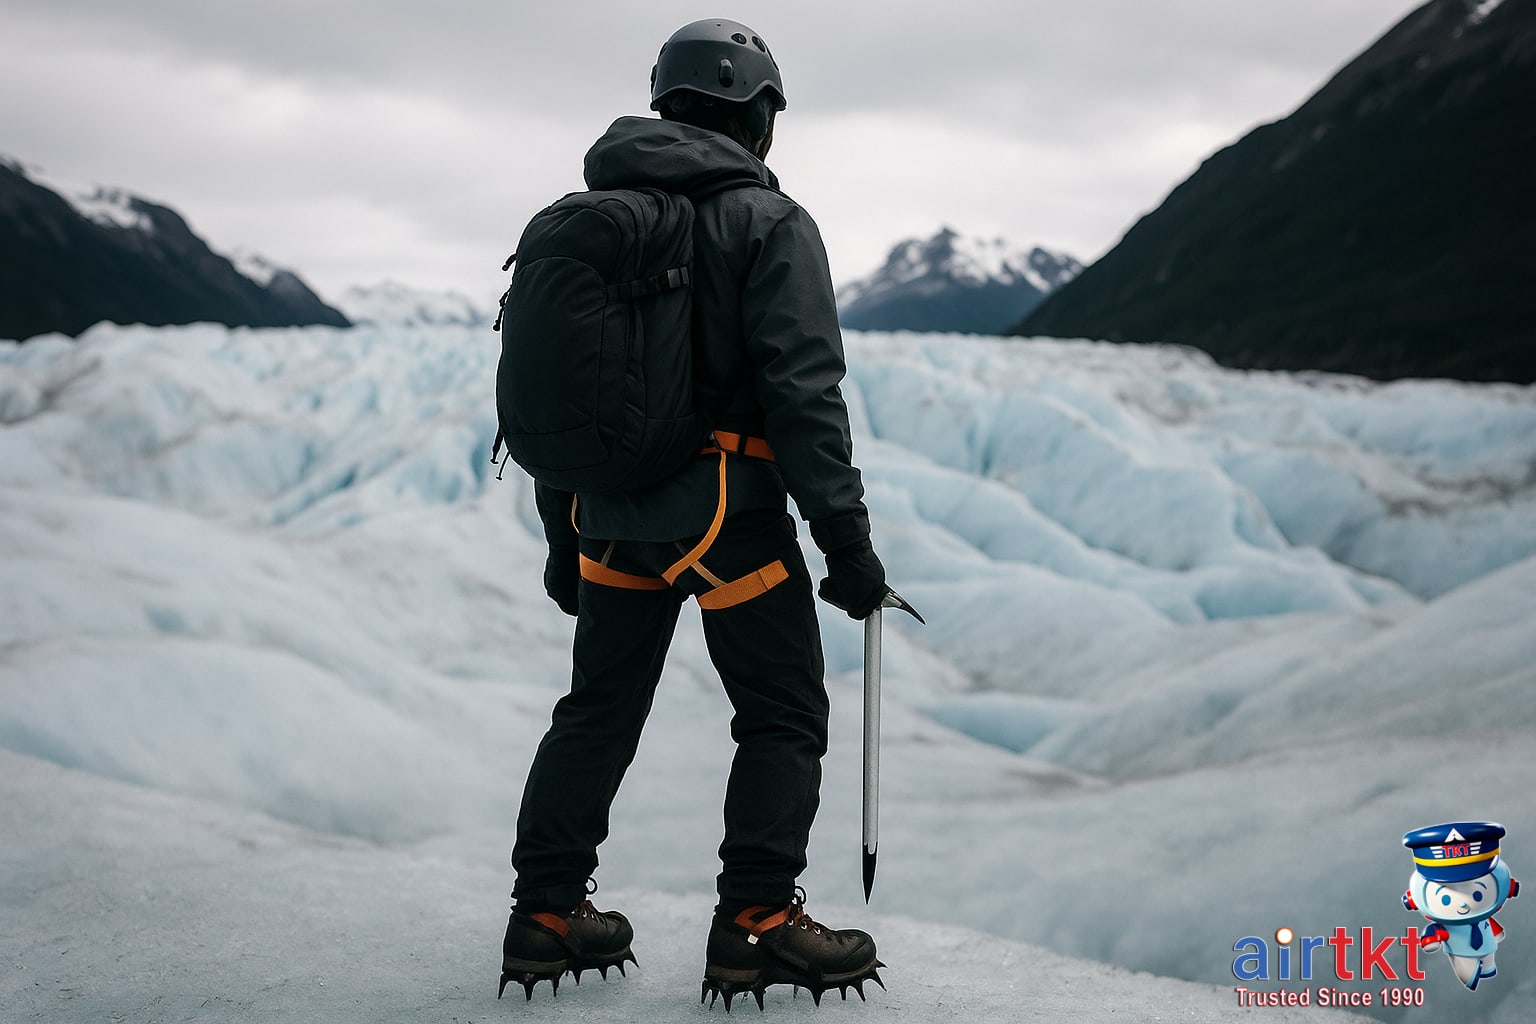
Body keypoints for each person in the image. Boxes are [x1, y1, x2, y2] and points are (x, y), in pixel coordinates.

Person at [499, 18, 891, 1008]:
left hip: (612, 521)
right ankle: (757, 920)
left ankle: (546, 909)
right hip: (729, 520)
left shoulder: (586, 218)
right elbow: (804, 391)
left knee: (597, 711)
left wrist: (562, 532)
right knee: (782, 713)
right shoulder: (767, 222)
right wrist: (846, 541)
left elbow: (568, 396)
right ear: (757, 114)